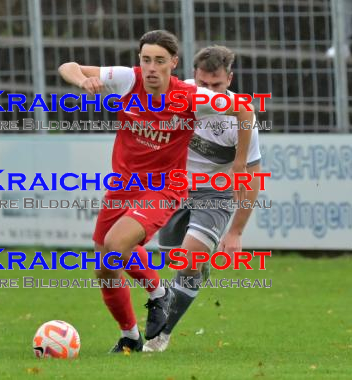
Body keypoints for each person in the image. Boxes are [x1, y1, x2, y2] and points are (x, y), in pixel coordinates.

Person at [58, 31, 255, 353]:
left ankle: (157, 294)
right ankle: (131, 336)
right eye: (146, 59)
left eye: (159, 61)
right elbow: (69, 65)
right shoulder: (126, 80)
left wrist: (240, 163)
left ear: (173, 64)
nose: (151, 67)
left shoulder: (193, 97)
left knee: (115, 245)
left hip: (164, 188)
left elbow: (244, 110)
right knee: (105, 265)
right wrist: (82, 81)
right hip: (122, 186)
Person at [143, 45, 263, 352]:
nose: (210, 92)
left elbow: (249, 176)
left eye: (218, 86)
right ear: (193, 76)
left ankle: (160, 334)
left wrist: (236, 231)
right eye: (203, 85)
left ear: (230, 79)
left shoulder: (241, 121)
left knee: (189, 259)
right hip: (173, 188)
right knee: (176, 260)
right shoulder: (176, 98)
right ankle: (194, 275)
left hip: (214, 193)